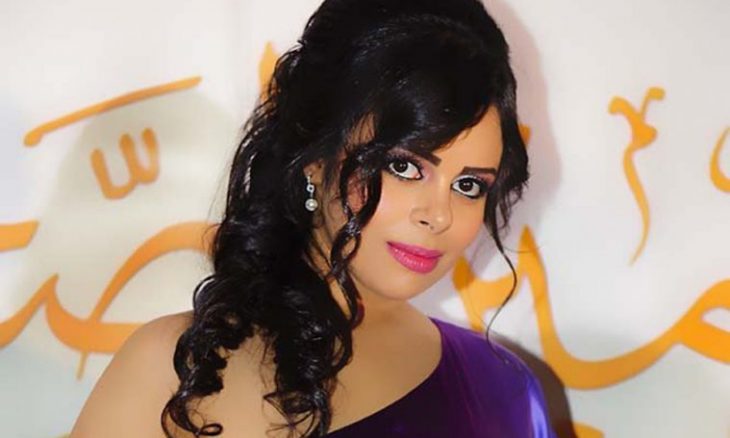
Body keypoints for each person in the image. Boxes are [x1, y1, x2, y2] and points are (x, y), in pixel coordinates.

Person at [71, 0, 557, 436]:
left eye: (469, 185)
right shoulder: (168, 373)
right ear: (315, 159)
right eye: (404, 167)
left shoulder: (501, 391)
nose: (439, 215)